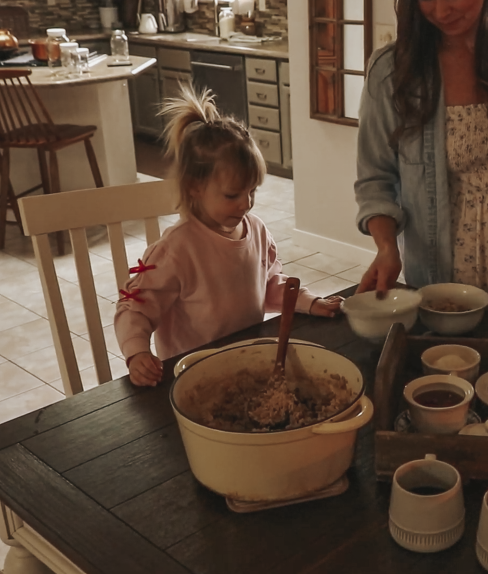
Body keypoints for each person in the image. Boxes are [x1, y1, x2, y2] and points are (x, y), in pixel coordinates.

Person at [115, 87, 342, 387]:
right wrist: (136, 353)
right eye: (232, 194)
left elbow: (271, 285)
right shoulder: (176, 250)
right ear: (195, 187)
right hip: (193, 379)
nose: (245, 203)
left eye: (252, 191)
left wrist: (310, 302)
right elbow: (135, 308)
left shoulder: (256, 230)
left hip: (246, 368)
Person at [354, 0, 488, 329]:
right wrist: (387, 247)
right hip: (446, 270)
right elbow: (375, 178)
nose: (441, 11)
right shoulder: (392, 71)